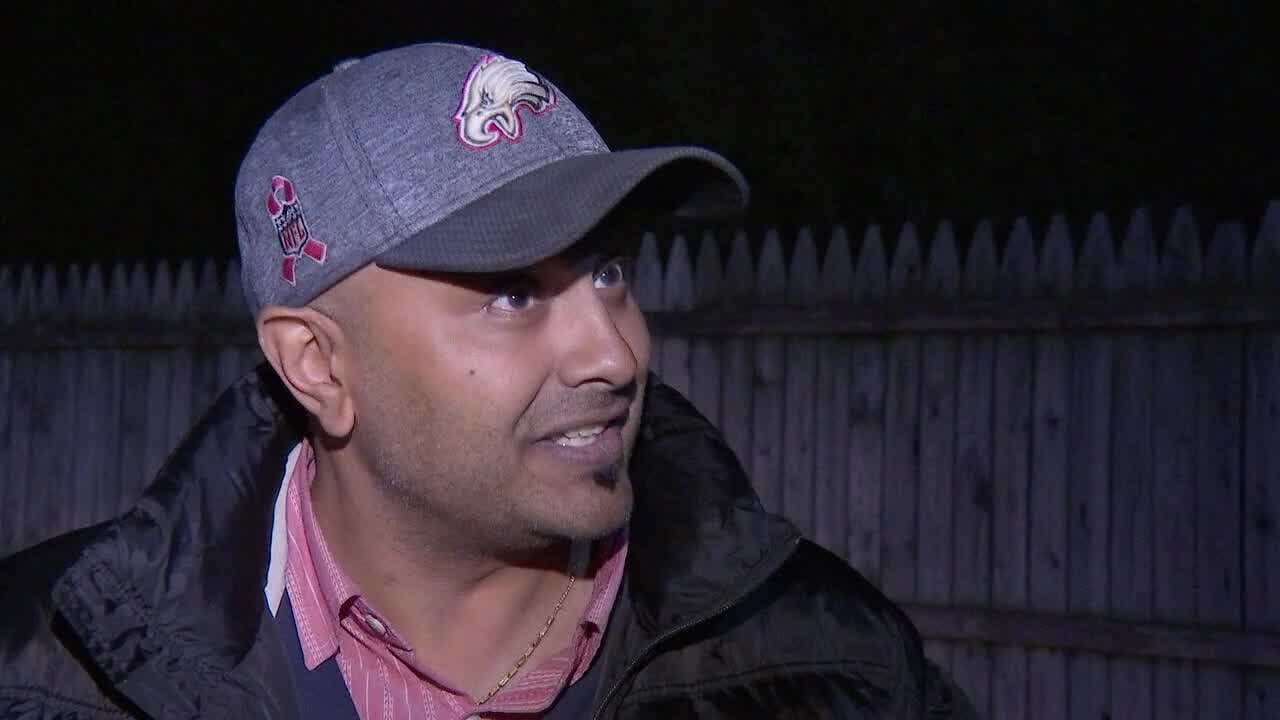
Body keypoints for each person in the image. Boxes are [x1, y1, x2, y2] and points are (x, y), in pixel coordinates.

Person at [0, 42, 975, 719]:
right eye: (512, 292)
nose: (612, 353)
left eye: (608, 271)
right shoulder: (44, 673)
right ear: (318, 364)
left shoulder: (824, 664)